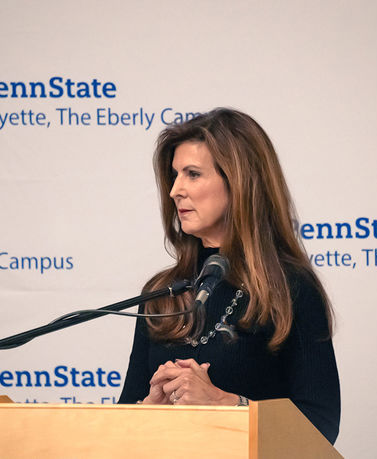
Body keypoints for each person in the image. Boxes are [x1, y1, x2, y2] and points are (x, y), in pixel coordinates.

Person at [118, 108, 341, 444]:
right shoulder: (161, 294)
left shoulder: (290, 288)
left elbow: (320, 427)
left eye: (192, 174)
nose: (174, 190)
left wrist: (223, 403)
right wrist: (150, 407)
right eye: (174, 175)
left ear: (239, 181)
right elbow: (122, 427)